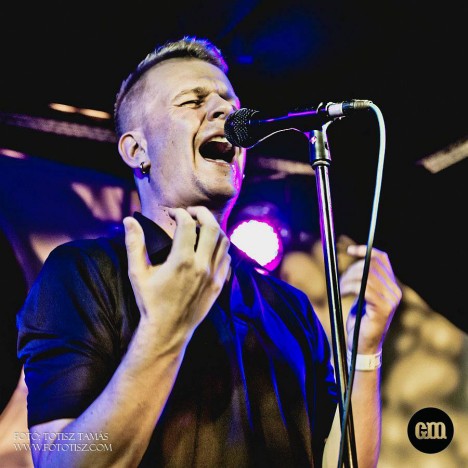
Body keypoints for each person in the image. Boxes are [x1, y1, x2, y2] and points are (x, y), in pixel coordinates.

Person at [17, 36, 402, 467]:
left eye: (229, 103)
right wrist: (165, 332)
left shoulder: (288, 305)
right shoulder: (84, 274)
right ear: (137, 150)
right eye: (192, 101)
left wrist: (363, 353)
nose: (224, 111)